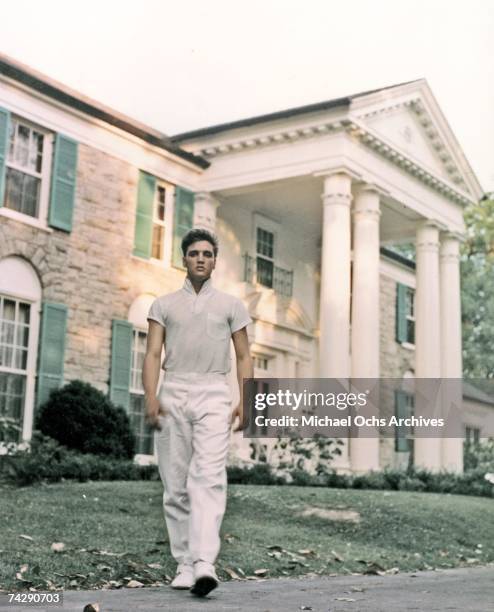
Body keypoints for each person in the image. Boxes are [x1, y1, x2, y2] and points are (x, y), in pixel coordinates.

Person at [142, 228, 253, 598]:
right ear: (184, 259)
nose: (201, 258)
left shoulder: (232, 306)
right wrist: (150, 396)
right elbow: (153, 354)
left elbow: (243, 356)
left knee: (207, 477)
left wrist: (245, 399)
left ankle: (205, 562)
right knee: (175, 485)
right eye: (194, 253)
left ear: (215, 260)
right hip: (173, 390)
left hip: (213, 392)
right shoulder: (163, 305)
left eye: (207, 253)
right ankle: (185, 564)